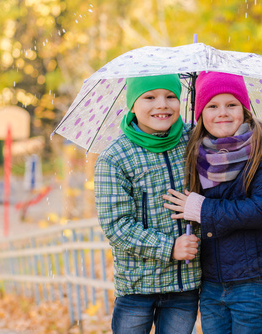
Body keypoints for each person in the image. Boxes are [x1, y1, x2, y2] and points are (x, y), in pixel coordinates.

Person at [163, 71, 262, 334]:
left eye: (231, 104)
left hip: (251, 280)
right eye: (212, 106)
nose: (222, 112)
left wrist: (202, 209)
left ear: (244, 109)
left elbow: (261, 211)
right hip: (210, 281)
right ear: (200, 114)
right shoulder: (196, 152)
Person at [94, 74, 201, 334]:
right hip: (136, 287)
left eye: (170, 96)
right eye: (149, 97)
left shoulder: (196, 140)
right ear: (132, 105)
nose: (162, 104)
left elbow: (235, 151)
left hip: (183, 284)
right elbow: (117, 226)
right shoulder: (114, 158)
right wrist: (169, 248)